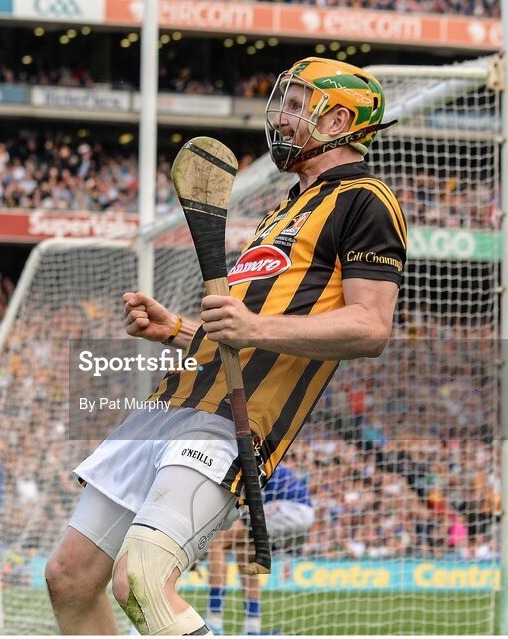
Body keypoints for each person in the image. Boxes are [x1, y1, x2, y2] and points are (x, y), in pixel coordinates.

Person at [45, 57, 404, 636]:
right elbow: (240, 333)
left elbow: (370, 326)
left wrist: (252, 328)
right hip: (169, 406)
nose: (281, 117)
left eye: (296, 105)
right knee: (70, 577)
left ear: (338, 120)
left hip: (230, 421)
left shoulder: (366, 201)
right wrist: (180, 330)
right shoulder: (283, 210)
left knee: (140, 579)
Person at [205, 464, 314, 635]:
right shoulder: (267, 461)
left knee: (218, 541)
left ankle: (214, 620)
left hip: (289, 509)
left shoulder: (246, 464)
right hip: (301, 512)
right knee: (245, 550)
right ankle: (252, 628)